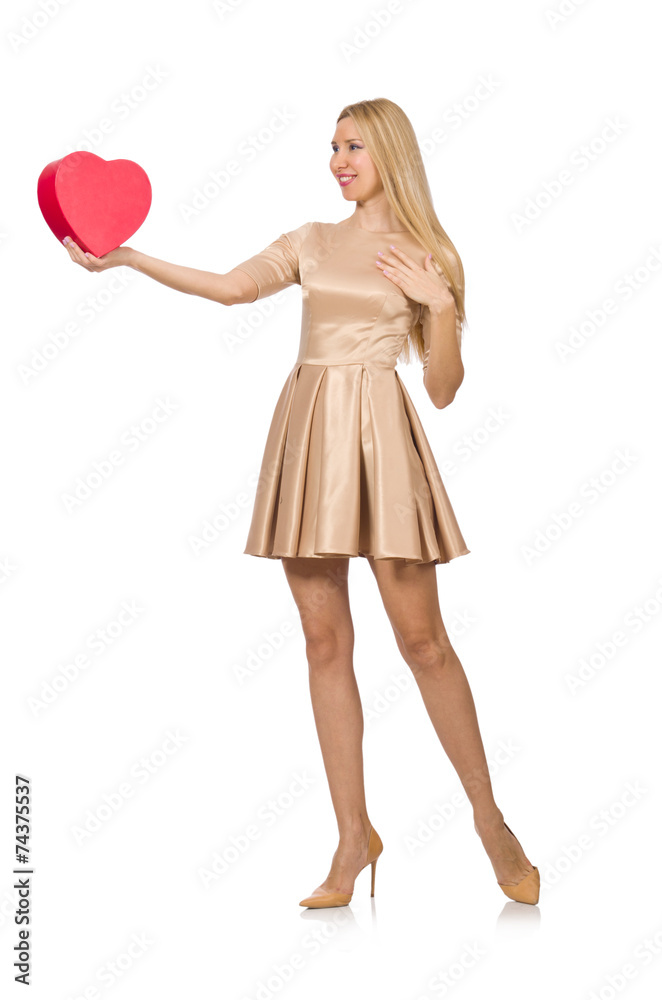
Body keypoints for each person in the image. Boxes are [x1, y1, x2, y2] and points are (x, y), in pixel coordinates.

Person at [62, 97, 540, 907]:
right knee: (325, 644)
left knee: (424, 644)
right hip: (312, 438)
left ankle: (489, 819)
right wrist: (128, 258)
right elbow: (227, 289)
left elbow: (446, 390)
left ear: (390, 150)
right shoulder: (311, 243)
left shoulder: (432, 254)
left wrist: (442, 303)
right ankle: (353, 838)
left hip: (385, 442)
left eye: (353, 146)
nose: (338, 161)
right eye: (332, 148)